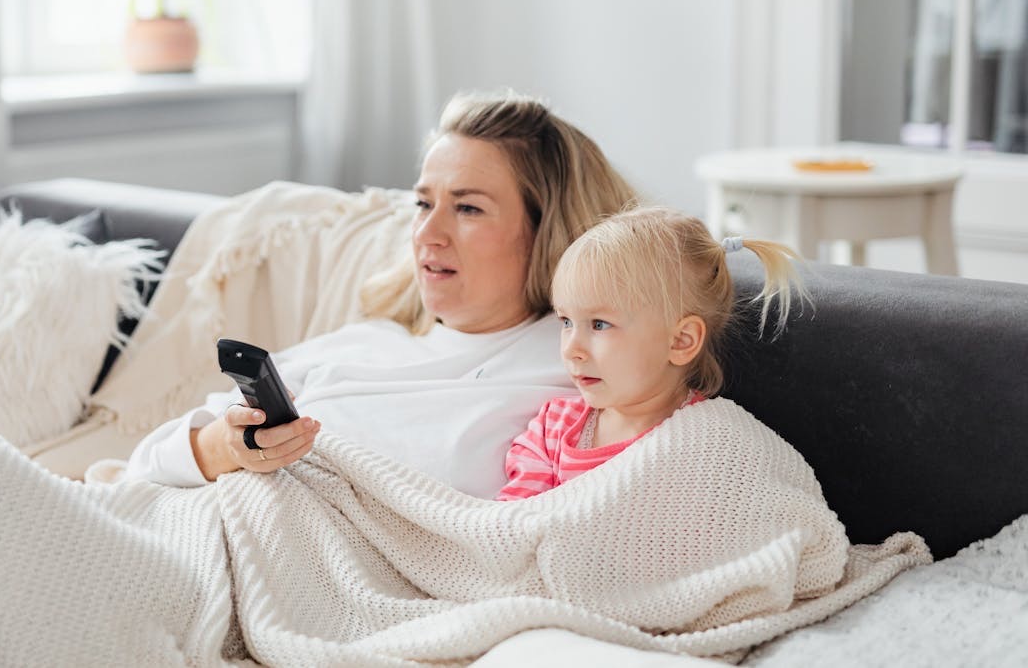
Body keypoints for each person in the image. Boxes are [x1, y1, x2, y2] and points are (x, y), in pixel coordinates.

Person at [124, 90, 638, 499]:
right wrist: (224, 448)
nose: (427, 233)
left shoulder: (580, 374)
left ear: (549, 230)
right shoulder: (367, 342)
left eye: (468, 209)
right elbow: (141, 467)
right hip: (199, 529)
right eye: (422, 203)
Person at [497, 205, 807, 501]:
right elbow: (513, 525)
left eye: (600, 324)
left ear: (681, 342)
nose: (572, 349)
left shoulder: (710, 442)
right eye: (566, 321)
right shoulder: (553, 428)